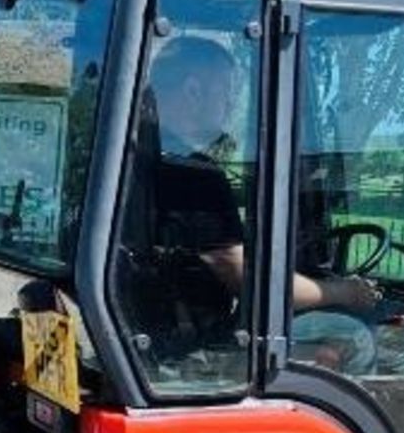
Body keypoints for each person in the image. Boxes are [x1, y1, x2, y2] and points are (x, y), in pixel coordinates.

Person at [142, 35, 380, 369]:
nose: (230, 104)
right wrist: (343, 293)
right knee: (355, 334)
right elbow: (243, 276)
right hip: (200, 342)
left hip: (161, 328)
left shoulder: (140, 159)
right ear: (194, 91)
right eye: (227, 92)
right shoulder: (191, 174)